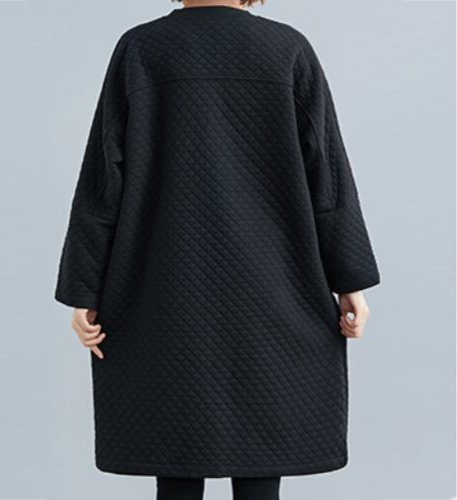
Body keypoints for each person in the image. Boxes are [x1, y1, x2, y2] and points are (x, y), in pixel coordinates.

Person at [54, 0, 381, 498]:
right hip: (275, 288)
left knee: (174, 450)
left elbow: (103, 178)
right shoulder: (286, 50)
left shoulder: (141, 49)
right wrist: (350, 279)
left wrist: (85, 288)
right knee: (263, 453)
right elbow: (327, 172)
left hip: (165, 288)